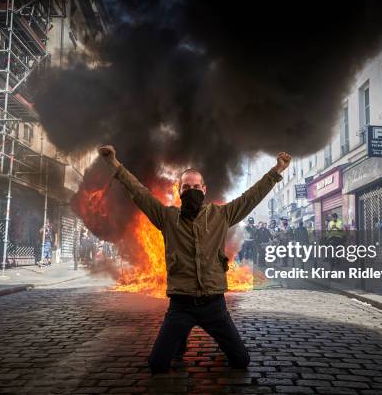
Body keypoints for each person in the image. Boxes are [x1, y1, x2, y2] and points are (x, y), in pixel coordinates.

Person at [98, 144, 291, 374]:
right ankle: (180, 336)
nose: (191, 190)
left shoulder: (221, 215)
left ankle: (184, 337)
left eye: (196, 186)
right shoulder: (167, 217)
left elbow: (251, 197)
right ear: (179, 191)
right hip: (181, 306)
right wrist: (113, 163)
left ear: (204, 189)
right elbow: (139, 192)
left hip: (214, 306)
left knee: (241, 361)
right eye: (186, 187)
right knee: (158, 364)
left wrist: (276, 171)